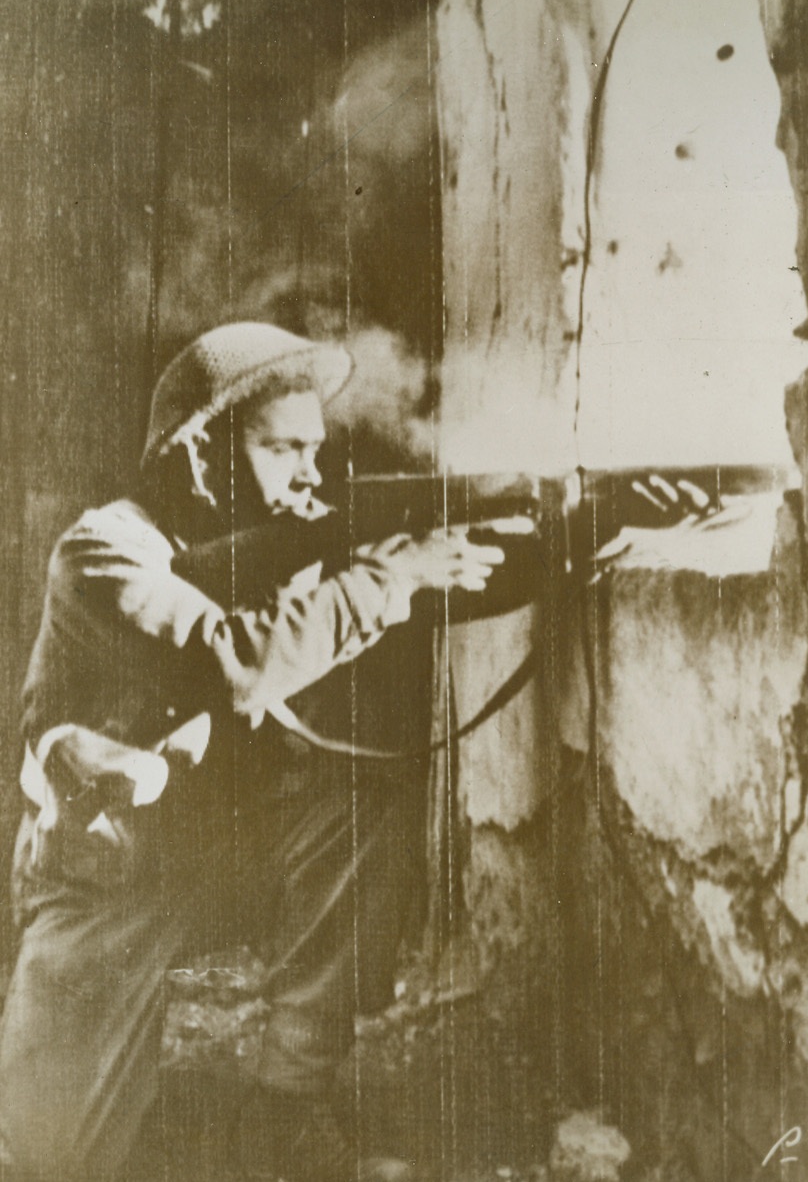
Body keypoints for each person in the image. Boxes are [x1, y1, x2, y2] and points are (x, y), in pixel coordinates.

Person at [0, 322, 506, 1182]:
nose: (311, 474)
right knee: (50, 1159)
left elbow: (432, 590)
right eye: (283, 450)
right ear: (203, 456)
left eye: (316, 449)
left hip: (228, 858)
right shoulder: (102, 551)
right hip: (109, 880)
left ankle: (284, 1105)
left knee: (359, 799)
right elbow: (233, 659)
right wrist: (392, 576)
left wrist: (573, 536)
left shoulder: (282, 549)